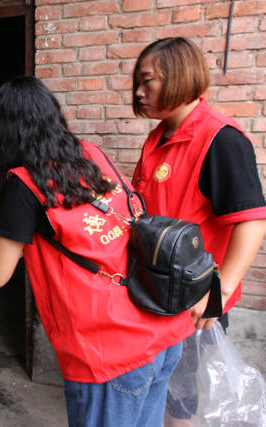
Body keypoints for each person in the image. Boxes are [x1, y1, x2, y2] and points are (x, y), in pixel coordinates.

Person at [0, 75, 194, 427]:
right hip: (162, 326)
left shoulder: (24, 182)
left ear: (3, 132)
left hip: (110, 351)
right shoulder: (91, 154)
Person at [131, 37, 266, 425]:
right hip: (157, 291)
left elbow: (251, 220)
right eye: (137, 84)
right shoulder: (158, 137)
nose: (139, 93)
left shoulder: (220, 138)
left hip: (193, 300)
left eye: (148, 81)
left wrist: (218, 292)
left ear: (179, 75)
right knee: (159, 384)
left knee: (181, 398)